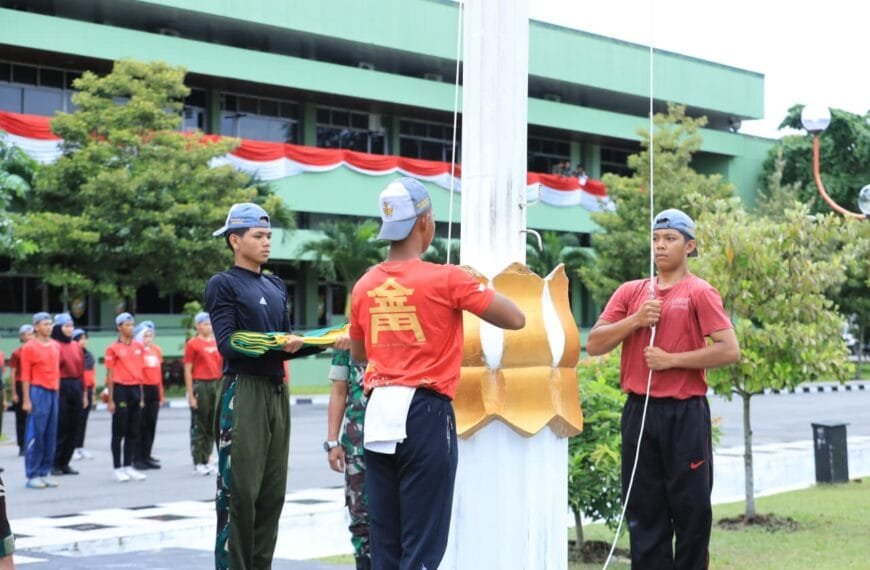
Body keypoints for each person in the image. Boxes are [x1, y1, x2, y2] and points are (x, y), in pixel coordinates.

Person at [348, 177, 525, 569]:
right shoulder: (447, 278)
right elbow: (516, 318)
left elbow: (360, 352)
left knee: (386, 542)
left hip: (378, 412)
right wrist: (471, 284)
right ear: (425, 222)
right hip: (424, 412)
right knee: (423, 543)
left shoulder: (364, 285)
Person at [586, 208, 741, 570]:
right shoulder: (631, 292)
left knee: (692, 511)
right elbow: (594, 343)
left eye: (670, 239)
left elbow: (729, 350)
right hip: (639, 412)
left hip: (685, 414)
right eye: (656, 238)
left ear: (690, 246)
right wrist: (637, 319)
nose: (660, 245)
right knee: (643, 510)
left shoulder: (700, 292)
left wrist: (672, 360)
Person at [206, 202, 316, 570]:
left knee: (272, 495)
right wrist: (278, 341)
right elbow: (228, 343)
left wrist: (329, 341)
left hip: (276, 391)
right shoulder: (223, 284)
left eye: (268, 235)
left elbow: (288, 345)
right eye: (258, 236)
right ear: (235, 241)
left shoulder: (275, 284)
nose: (267, 242)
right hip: (244, 390)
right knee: (239, 494)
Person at [326, 339, 370, 570]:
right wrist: (333, 441)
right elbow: (339, 389)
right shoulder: (348, 336)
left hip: (396, 439)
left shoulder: (396, 326)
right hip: (357, 443)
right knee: (360, 516)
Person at [19, 312, 61, 489]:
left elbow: (56, 371)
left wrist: (57, 392)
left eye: (50, 324)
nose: (49, 327)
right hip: (38, 392)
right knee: (36, 433)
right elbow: (25, 376)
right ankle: (32, 474)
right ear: (36, 327)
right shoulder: (29, 347)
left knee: (51, 434)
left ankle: (45, 471)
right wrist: (26, 399)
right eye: (45, 324)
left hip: (53, 392)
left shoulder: (56, 346)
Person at [105, 312, 147, 483]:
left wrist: (141, 396)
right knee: (119, 430)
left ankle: (128, 465)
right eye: (127, 325)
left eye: (132, 324)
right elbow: (109, 375)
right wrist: (110, 399)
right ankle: (117, 468)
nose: (131, 328)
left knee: (133, 430)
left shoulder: (138, 346)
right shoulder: (113, 348)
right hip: (120, 389)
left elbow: (140, 372)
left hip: (135, 389)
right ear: (119, 327)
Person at [183, 311, 222, 476]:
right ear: (198, 326)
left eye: (210, 324)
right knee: (200, 424)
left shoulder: (216, 342)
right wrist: (191, 395)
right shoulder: (192, 344)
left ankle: (207, 458)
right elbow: (187, 370)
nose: (209, 327)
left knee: (213, 424)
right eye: (206, 324)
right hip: (201, 384)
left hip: (216, 384)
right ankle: (198, 461)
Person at [51, 313, 86, 476]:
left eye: (71, 326)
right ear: (58, 328)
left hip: (76, 385)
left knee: (75, 425)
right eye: (66, 326)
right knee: (61, 425)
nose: (70, 329)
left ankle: (65, 461)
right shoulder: (54, 345)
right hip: (61, 385)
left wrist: (84, 392)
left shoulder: (76, 346)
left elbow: (81, 371)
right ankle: (55, 462)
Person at [134, 321, 162, 471]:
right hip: (142, 388)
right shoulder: (137, 351)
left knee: (151, 424)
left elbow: (158, 373)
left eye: (150, 335)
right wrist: (140, 396)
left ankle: (147, 455)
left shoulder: (156, 350)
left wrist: (161, 394)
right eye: (145, 336)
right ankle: (137, 457)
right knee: (141, 425)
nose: (148, 339)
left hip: (154, 388)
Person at [8, 324, 34, 457]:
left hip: (34, 384)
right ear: (22, 337)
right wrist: (14, 392)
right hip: (20, 385)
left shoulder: (36, 351)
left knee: (35, 416)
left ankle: (33, 444)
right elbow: (13, 373)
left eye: (32, 334)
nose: (31, 337)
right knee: (21, 417)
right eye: (28, 334)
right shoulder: (17, 353)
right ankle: (22, 445)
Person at [72, 329, 96, 461]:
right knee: (75, 420)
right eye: (80, 338)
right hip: (79, 390)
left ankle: (80, 447)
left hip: (89, 390)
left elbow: (92, 374)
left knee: (83, 420)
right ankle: (72, 448)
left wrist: (93, 393)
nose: (83, 341)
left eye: (85, 338)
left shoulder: (89, 355)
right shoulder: (74, 355)